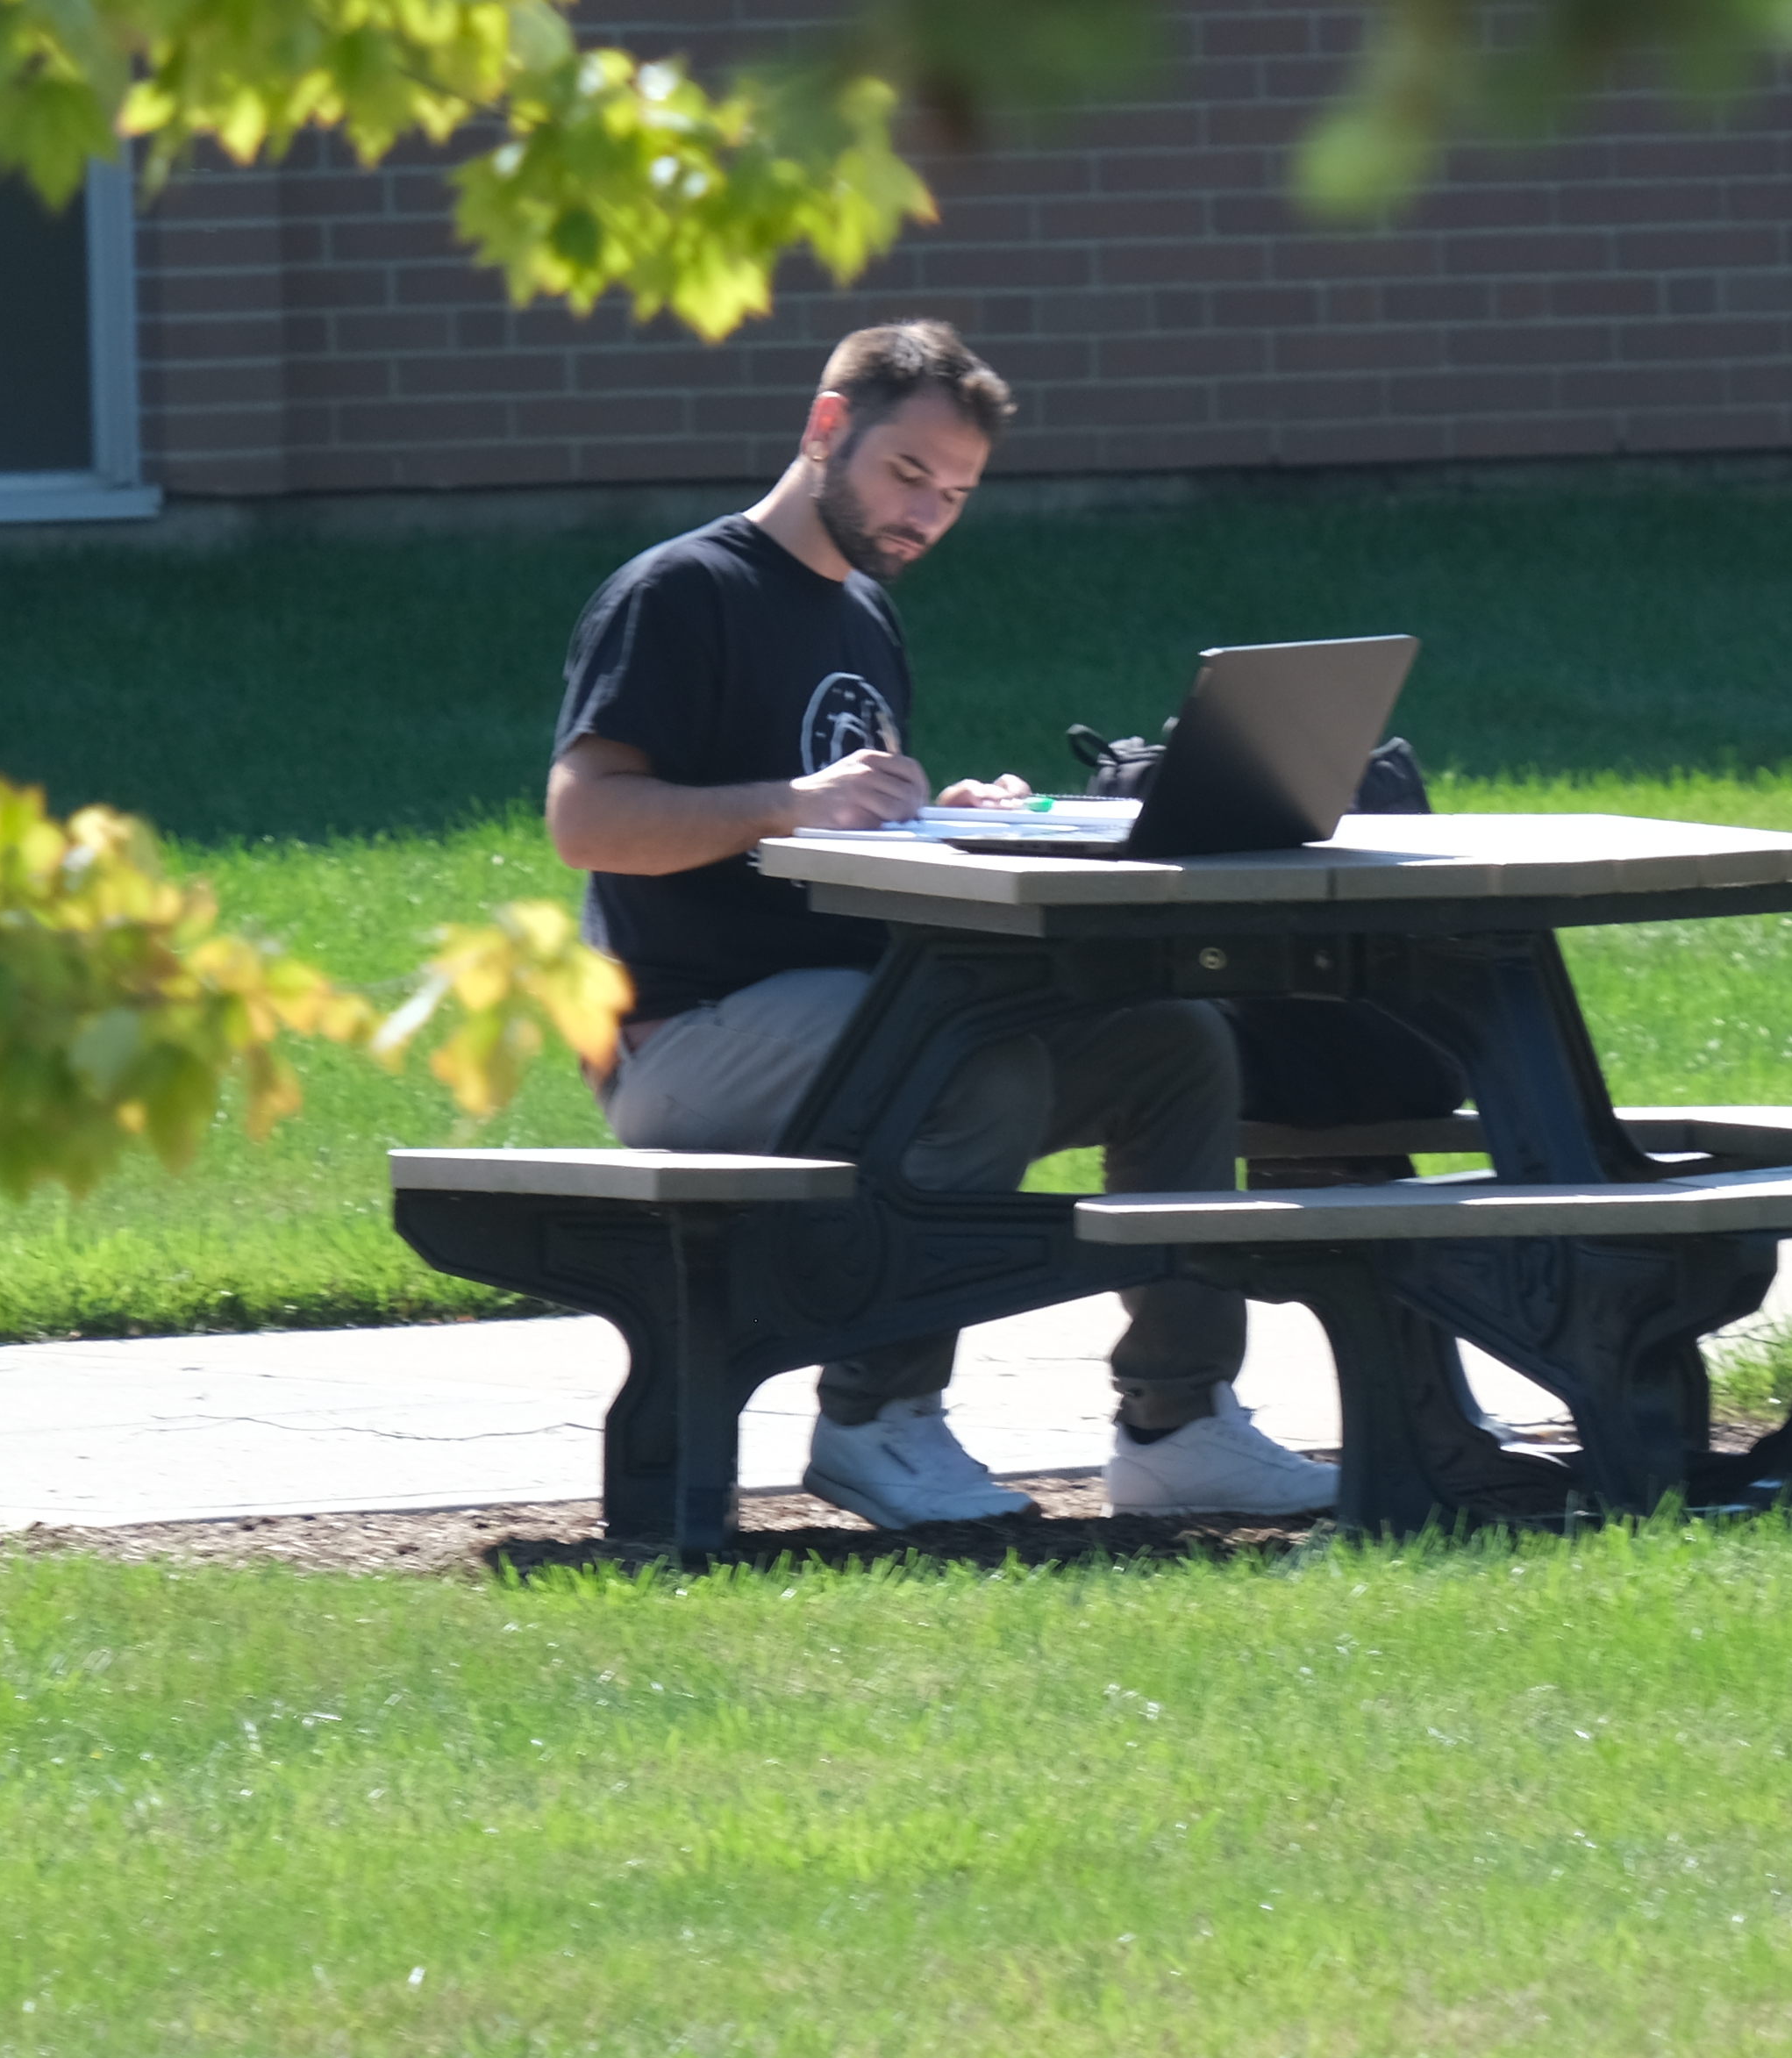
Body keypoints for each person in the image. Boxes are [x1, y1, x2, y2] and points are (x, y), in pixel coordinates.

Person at [544, 320, 1339, 1527]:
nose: (925, 513)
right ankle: (878, 1417)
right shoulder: (680, 593)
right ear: (825, 430)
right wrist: (795, 804)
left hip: (846, 1010)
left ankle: (1179, 1422)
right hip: (684, 1040)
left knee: (1174, 1041)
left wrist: (942, 817)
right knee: (966, 1065)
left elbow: (841, 826)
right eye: (906, 474)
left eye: (955, 494)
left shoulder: (862, 613)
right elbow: (586, 819)